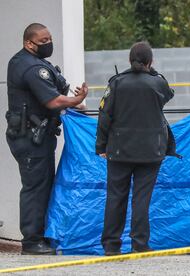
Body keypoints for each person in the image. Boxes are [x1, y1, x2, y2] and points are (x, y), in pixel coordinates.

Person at [5, 23, 88, 255]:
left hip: (36, 136)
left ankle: (41, 236)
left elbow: (56, 92)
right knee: (36, 187)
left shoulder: (33, 62)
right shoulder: (31, 67)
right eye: (43, 41)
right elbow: (52, 101)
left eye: (49, 38)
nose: (48, 43)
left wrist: (74, 105)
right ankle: (32, 241)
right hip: (31, 139)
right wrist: (76, 100)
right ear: (28, 43)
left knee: (43, 185)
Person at [96, 41, 178, 256]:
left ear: (129, 60)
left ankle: (111, 245)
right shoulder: (157, 83)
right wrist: (152, 71)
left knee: (116, 197)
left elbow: (104, 115)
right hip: (151, 152)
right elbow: (168, 93)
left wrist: (101, 145)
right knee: (141, 198)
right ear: (150, 62)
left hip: (119, 151)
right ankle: (139, 244)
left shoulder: (117, 83)